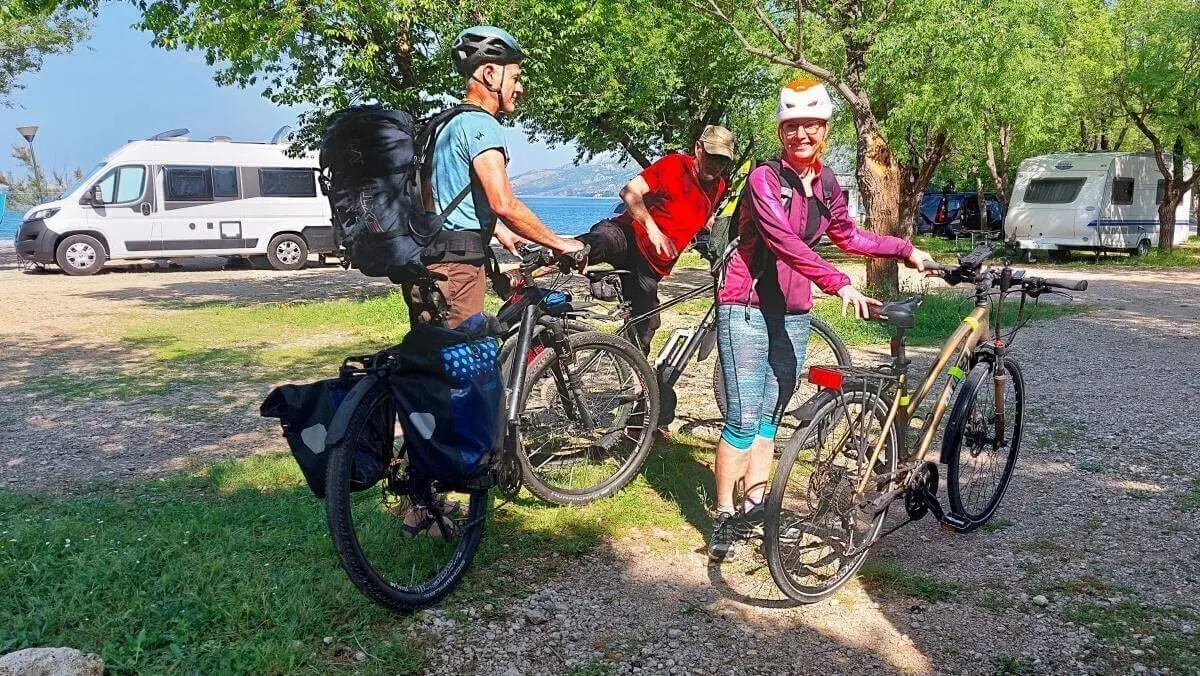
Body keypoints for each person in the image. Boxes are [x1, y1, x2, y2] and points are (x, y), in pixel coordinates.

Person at [707, 78, 930, 560]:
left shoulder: (827, 183)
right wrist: (839, 282)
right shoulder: (764, 179)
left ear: (824, 129)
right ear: (782, 131)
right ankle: (725, 514)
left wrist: (906, 249)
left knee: (771, 414)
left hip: (793, 310)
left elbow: (851, 236)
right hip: (745, 305)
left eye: (810, 125)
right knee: (744, 418)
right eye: (791, 126)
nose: (801, 134)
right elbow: (784, 242)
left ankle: (756, 502)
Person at [417, 25, 583, 328]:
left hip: (429, 262)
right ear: (491, 74)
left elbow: (445, 197)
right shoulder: (483, 125)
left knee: (433, 362)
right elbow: (504, 203)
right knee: (465, 367)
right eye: (516, 78)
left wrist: (500, 233)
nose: (519, 89)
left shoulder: (444, 124)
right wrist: (559, 243)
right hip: (457, 271)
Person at [576, 125, 735, 352]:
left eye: (723, 160)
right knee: (598, 241)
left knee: (647, 324)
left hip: (649, 269)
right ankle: (538, 266)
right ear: (698, 148)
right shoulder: (674, 165)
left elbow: (704, 217)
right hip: (628, 237)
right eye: (712, 156)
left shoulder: (718, 186)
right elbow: (629, 192)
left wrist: (726, 241)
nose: (716, 164)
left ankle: (636, 380)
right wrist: (653, 230)